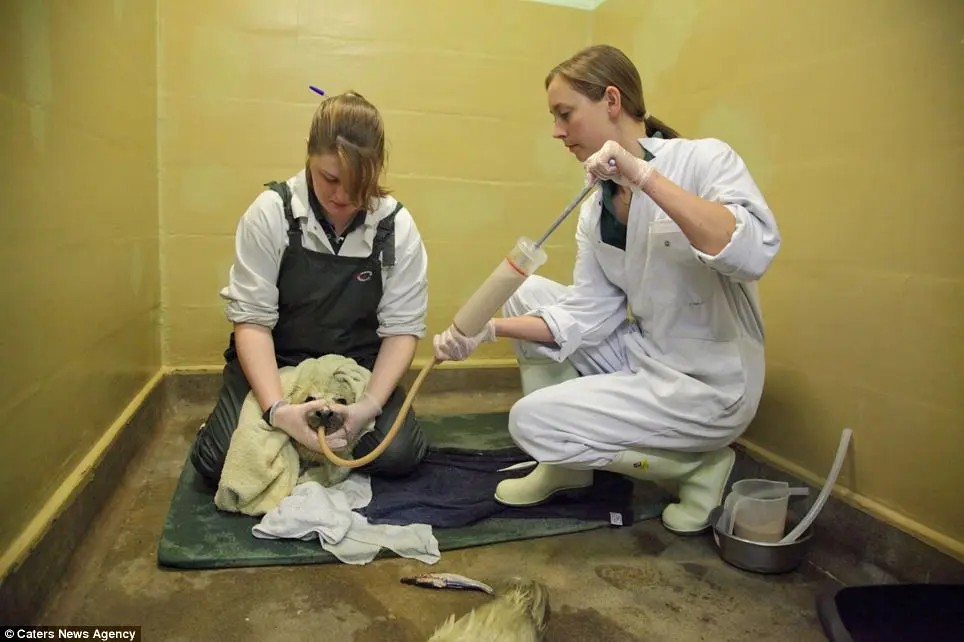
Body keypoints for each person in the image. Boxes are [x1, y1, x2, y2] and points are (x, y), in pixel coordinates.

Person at [432, 45, 781, 535]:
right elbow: (585, 313)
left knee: (531, 423)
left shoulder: (704, 160)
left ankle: (696, 469)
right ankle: (567, 463)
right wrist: (487, 330)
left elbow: (753, 251)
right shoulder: (596, 208)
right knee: (525, 293)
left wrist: (645, 177)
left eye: (565, 114)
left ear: (611, 102)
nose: (557, 131)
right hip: (646, 356)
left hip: (708, 386)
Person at [191, 90, 429, 488]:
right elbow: (251, 322)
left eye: (359, 184)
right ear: (308, 155)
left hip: (356, 365)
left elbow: (402, 330)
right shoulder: (270, 212)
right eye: (330, 179)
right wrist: (278, 410)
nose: (343, 197)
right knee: (218, 462)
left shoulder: (397, 227)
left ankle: (301, 445)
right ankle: (265, 425)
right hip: (278, 360)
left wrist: (367, 407)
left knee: (399, 455)